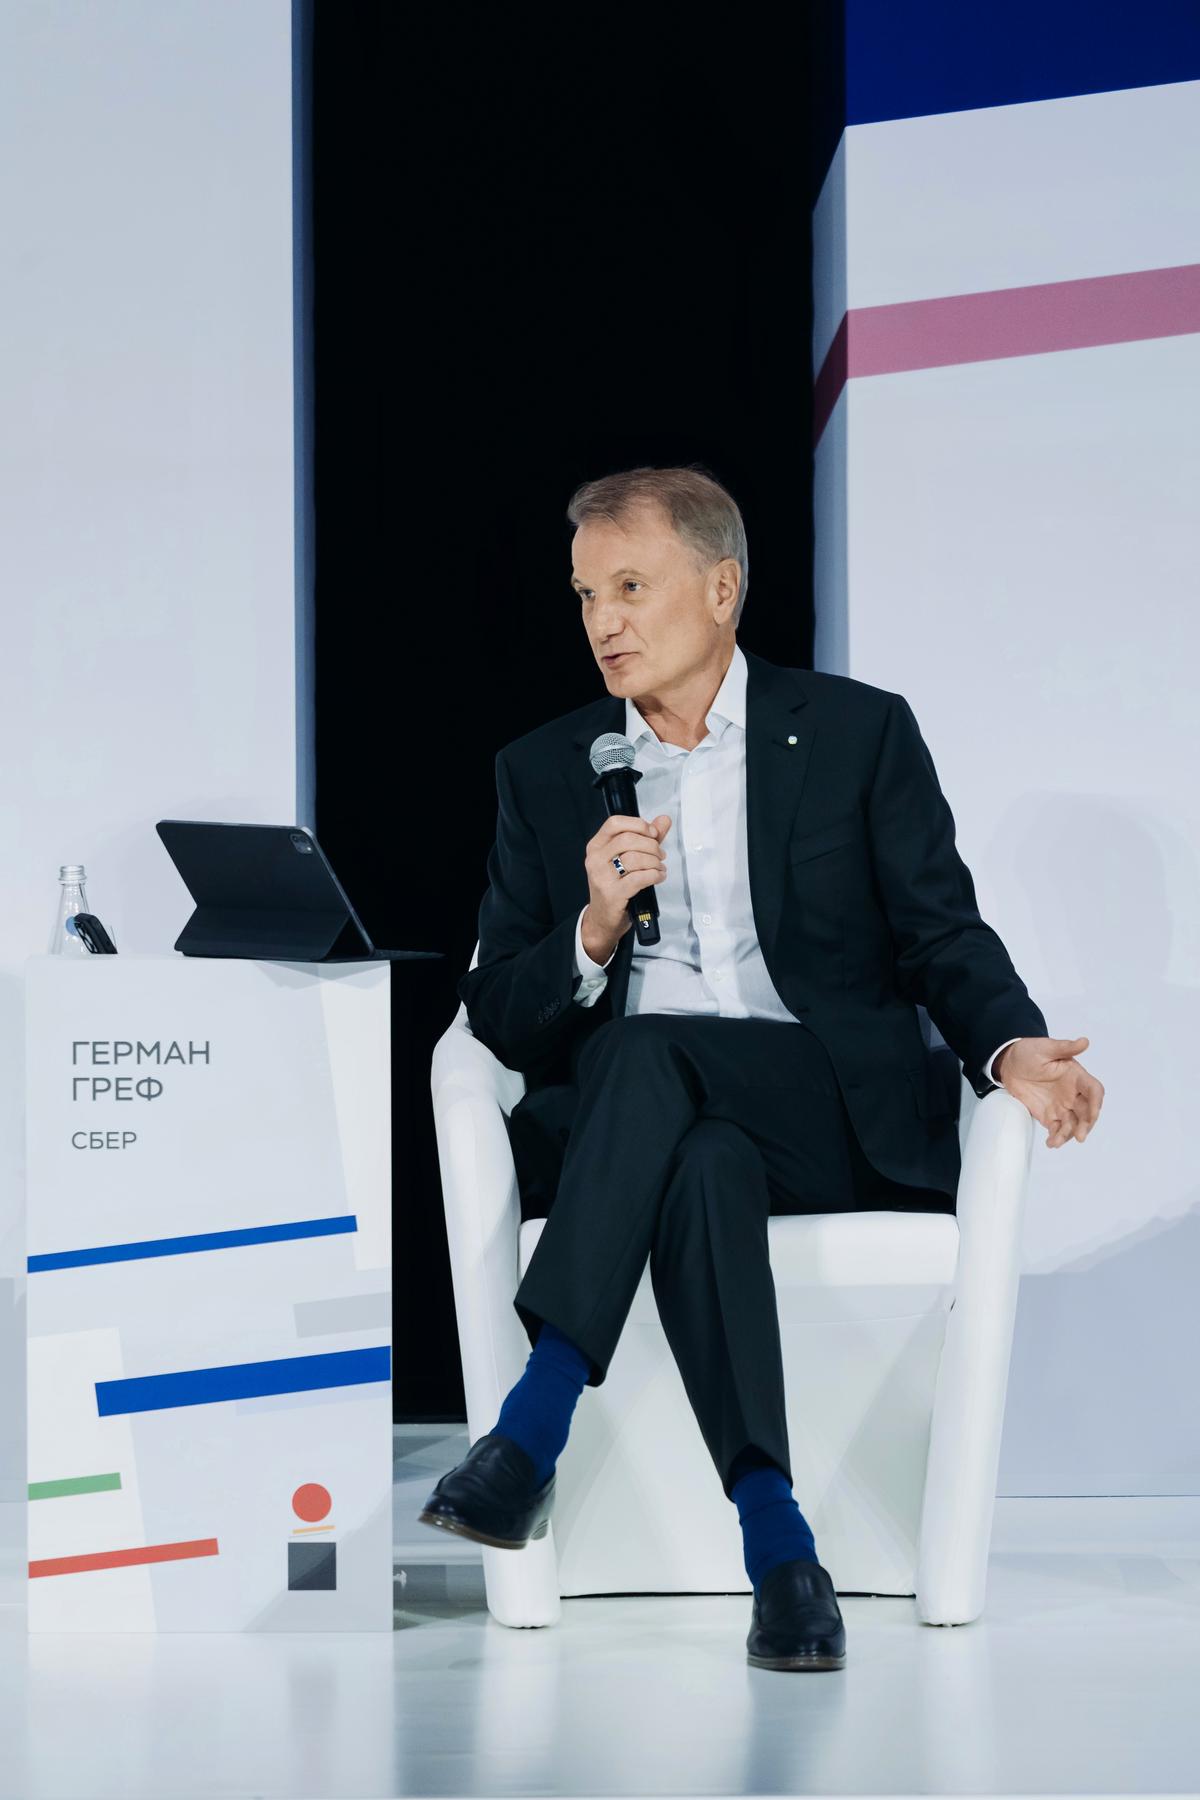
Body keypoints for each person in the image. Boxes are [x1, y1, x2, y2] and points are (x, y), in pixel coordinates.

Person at [420, 464, 1104, 1672]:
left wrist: (1009, 1048)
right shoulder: (544, 768)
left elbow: (940, 933)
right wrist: (591, 930)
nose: (602, 622)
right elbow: (500, 1013)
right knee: (701, 1160)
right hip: (644, 1133)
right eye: (584, 595)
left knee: (652, 1056)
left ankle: (533, 1422)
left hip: (822, 1106)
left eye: (631, 587)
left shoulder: (856, 733)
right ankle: (781, 1553)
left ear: (722, 588)